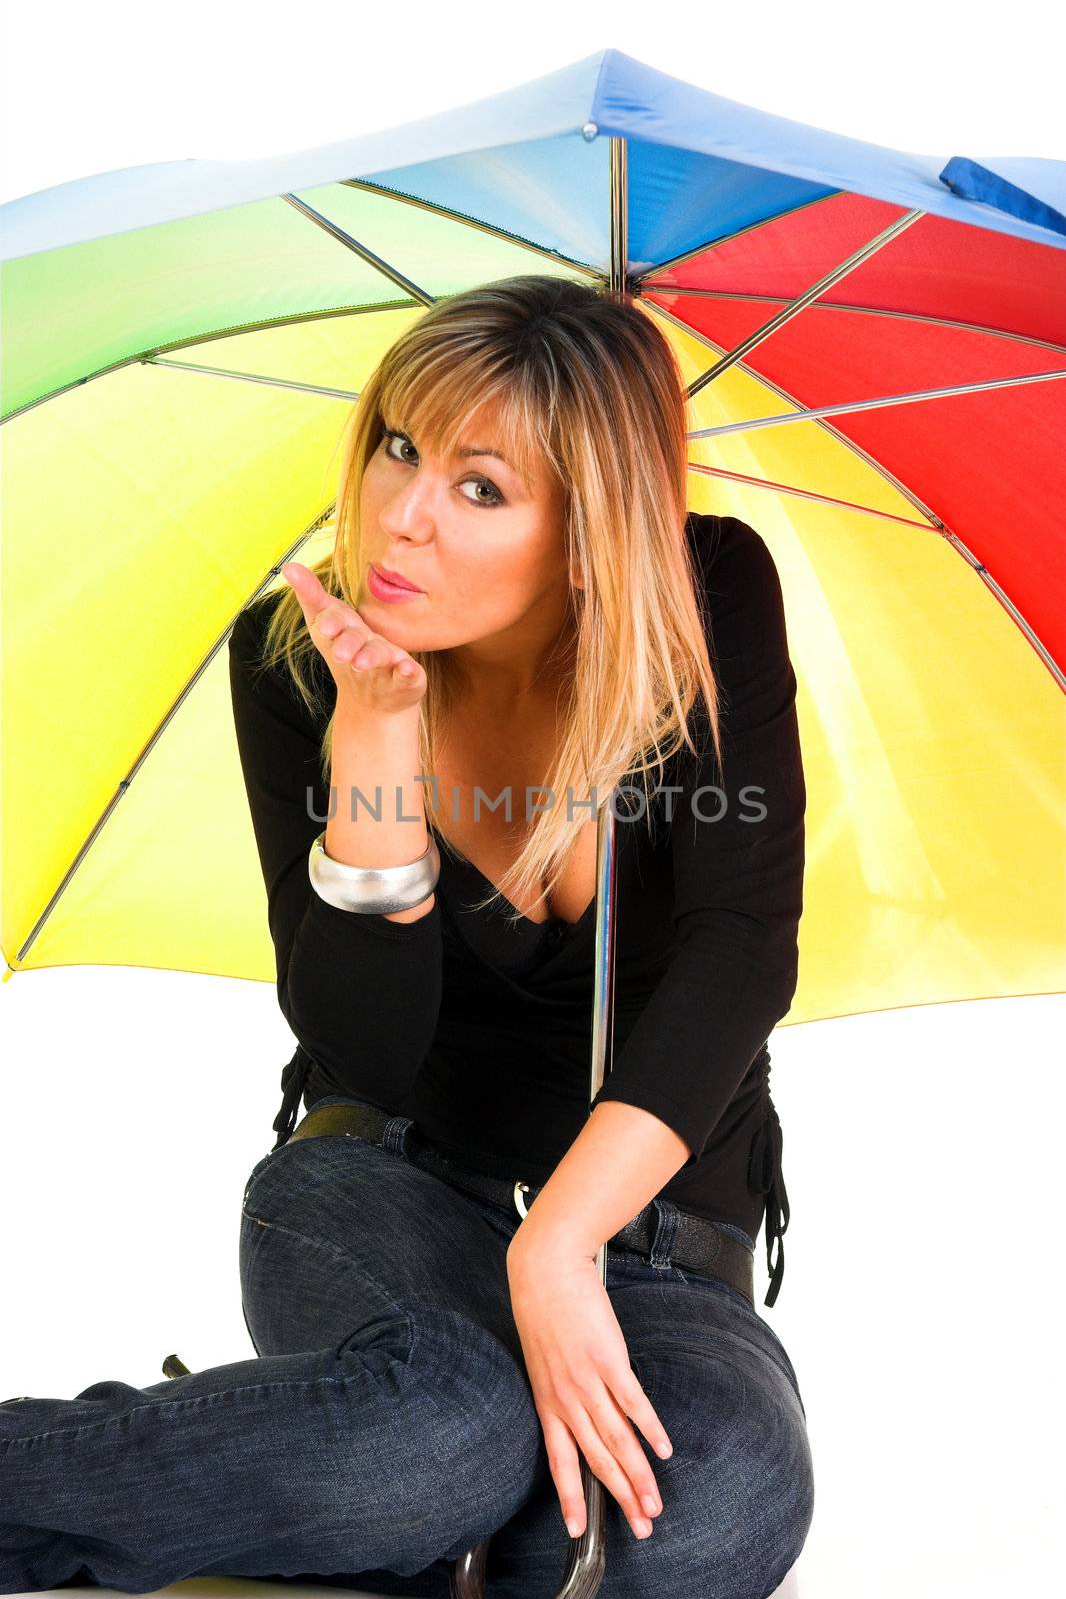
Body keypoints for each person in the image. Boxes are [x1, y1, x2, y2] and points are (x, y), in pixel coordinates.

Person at [0, 274, 813, 1598]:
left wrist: (558, 1244)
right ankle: (307, 1471)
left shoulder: (703, 597)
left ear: (586, 531)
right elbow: (364, 1050)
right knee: (439, 1443)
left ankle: (295, 1474)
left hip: (650, 1240)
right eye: (397, 447)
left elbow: (742, 950)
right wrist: (374, 743)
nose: (401, 518)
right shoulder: (294, 655)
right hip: (387, 1186)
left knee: (701, 1510)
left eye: (480, 488)